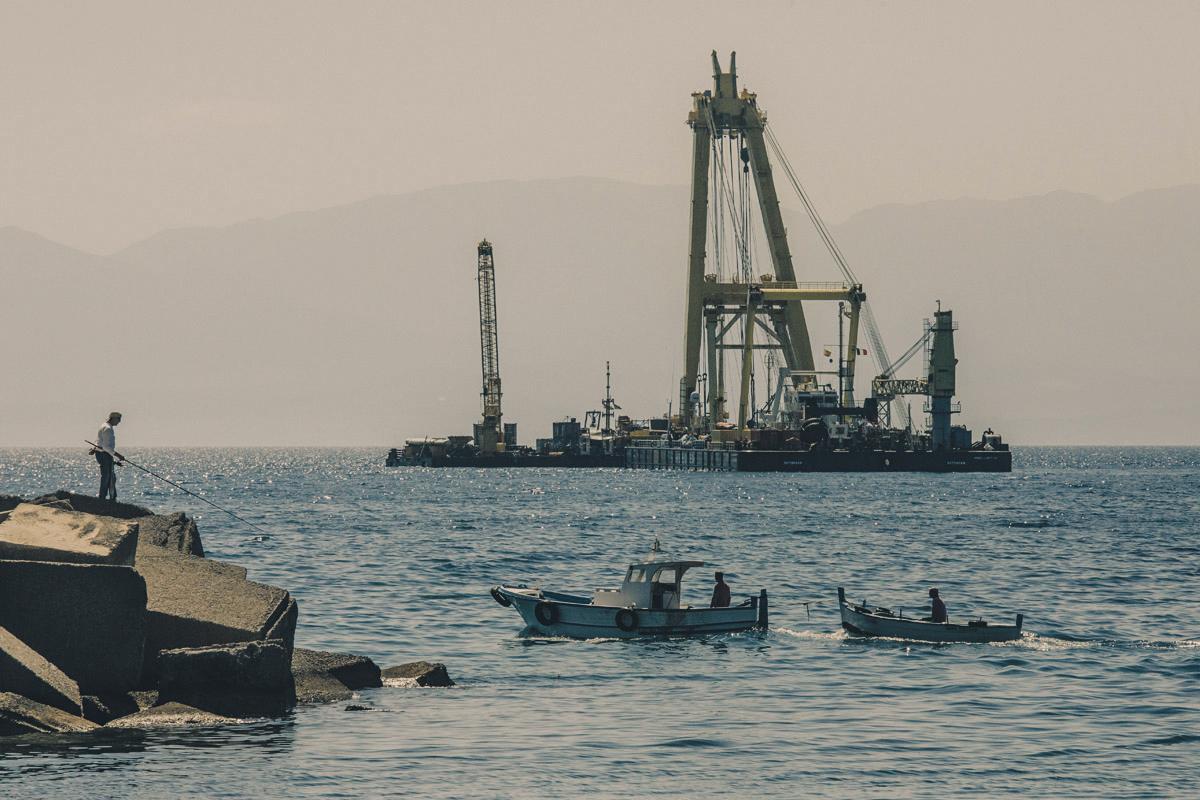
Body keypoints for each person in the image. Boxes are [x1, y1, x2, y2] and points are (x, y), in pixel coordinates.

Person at [95, 411, 125, 501]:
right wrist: (118, 455)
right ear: (113, 418)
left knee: (109, 476)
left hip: (103, 454)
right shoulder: (108, 428)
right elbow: (106, 447)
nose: (119, 421)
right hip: (104, 454)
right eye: (118, 419)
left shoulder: (103, 426)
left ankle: (106, 497)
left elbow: (99, 441)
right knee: (108, 477)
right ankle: (104, 498)